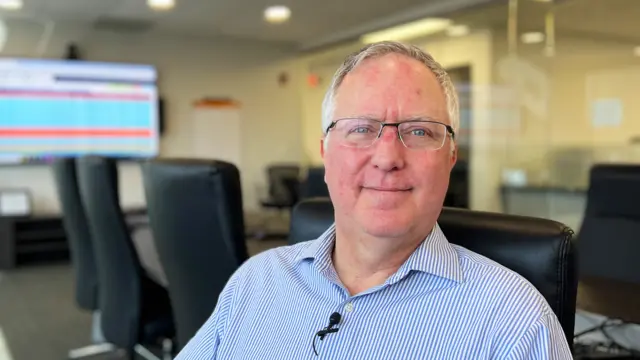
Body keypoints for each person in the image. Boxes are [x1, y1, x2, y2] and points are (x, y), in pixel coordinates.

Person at [176, 41, 573, 359]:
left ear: (450, 158)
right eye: (362, 129)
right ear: (326, 154)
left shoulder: (515, 326)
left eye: (419, 132)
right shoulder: (255, 283)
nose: (387, 158)